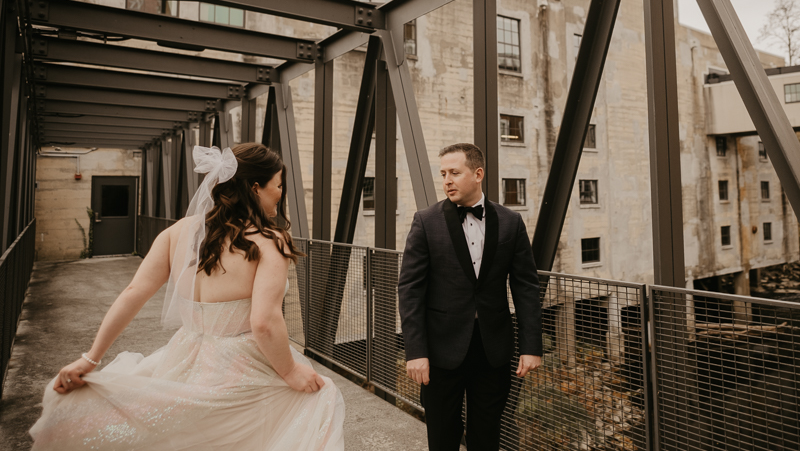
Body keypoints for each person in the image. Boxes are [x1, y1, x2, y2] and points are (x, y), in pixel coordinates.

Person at [29, 143, 345, 450]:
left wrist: (90, 359)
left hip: (186, 353)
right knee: (320, 396)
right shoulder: (269, 241)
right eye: (278, 185)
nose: (281, 193)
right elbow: (263, 322)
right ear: (255, 187)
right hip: (243, 363)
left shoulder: (176, 233)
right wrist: (290, 371)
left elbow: (133, 293)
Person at [398, 143, 543, 451]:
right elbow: (410, 290)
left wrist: (531, 347)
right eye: (443, 174)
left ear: (478, 174)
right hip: (440, 350)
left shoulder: (511, 222)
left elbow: (526, 287)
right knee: (442, 436)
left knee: (487, 435)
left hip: (493, 349)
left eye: (454, 172)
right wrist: (415, 351)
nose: (447, 180)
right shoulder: (426, 221)